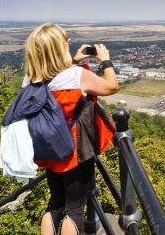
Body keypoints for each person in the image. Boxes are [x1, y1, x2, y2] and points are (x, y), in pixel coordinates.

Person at [22, 23, 118, 235]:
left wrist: (73, 60)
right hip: (74, 151)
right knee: (74, 209)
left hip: (48, 148)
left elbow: (53, 78)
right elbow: (111, 86)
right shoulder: (76, 76)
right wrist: (105, 60)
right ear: (59, 48)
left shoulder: (30, 80)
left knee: (55, 203)